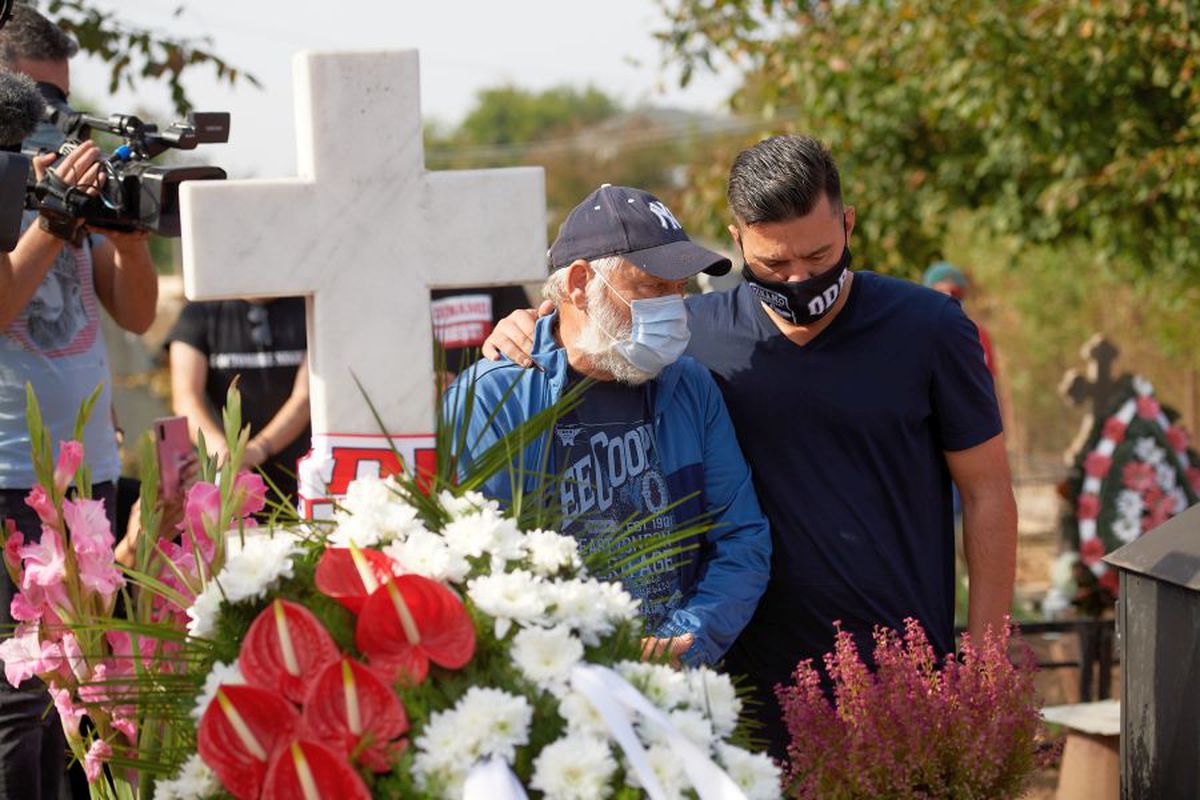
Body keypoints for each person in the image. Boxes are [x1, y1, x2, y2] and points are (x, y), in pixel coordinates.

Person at [483, 137, 1017, 754]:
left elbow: (988, 494)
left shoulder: (930, 330)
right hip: (743, 695)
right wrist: (527, 326)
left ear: (847, 224)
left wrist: (986, 662)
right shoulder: (690, 340)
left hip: (898, 679)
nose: (799, 279)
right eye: (774, 264)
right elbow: (600, 335)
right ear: (737, 241)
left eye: (819, 256)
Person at [447, 184, 772, 667]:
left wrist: (683, 644)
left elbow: (741, 537)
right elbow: (479, 566)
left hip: (674, 679)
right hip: (552, 685)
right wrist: (591, 657)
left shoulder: (689, 386)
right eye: (653, 287)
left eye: (680, 287)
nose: (674, 306)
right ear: (579, 283)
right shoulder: (496, 397)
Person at [0, 8, 159, 798]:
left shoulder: (65, 169)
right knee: (16, 704)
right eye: (34, 103)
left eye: (61, 103)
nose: (52, 123)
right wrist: (54, 214)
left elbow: (134, 312)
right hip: (8, 473)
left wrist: (127, 235)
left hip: (88, 469)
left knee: (86, 690)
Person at [166, 298, 311, 503]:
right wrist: (222, 452)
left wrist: (258, 449)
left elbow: (305, 397)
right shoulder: (199, 312)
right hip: (225, 482)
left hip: (300, 481)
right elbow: (185, 397)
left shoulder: (309, 307)